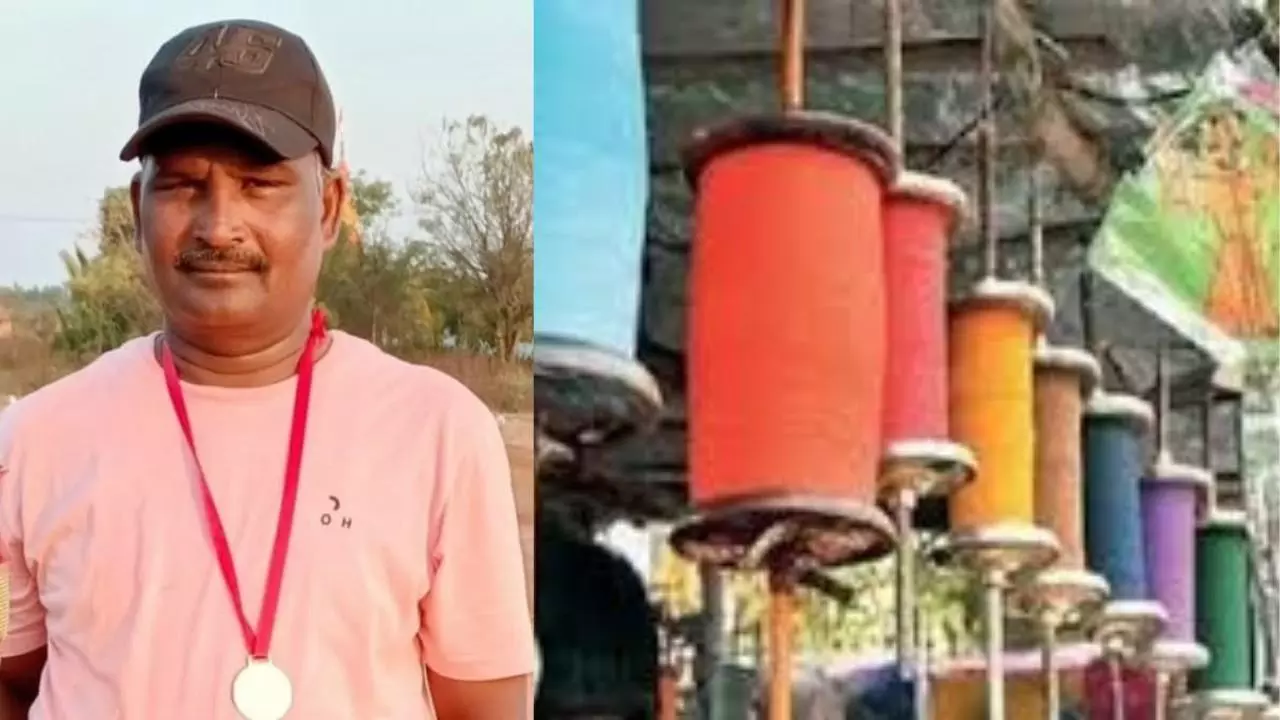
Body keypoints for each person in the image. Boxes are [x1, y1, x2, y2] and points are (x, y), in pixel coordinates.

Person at [0, 19, 534, 720]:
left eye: (259, 184)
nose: (218, 226)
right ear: (138, 209)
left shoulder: (436, 431)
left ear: (333, 206)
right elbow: (12, 680)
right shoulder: (35, 438)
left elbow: (486, 706)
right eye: (184, 185)